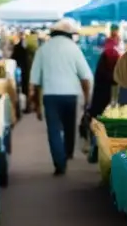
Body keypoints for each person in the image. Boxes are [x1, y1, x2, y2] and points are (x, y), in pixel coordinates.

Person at [29, 18, 92, 176]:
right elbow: (85, 77)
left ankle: (59, 163)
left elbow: (34, 82)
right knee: (70, 126)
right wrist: (87, 98)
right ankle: (68, 152)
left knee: (54, 130)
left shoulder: (43, 49)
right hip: (71, 94)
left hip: (50, 95)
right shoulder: (74, 48)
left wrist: (36, 105)